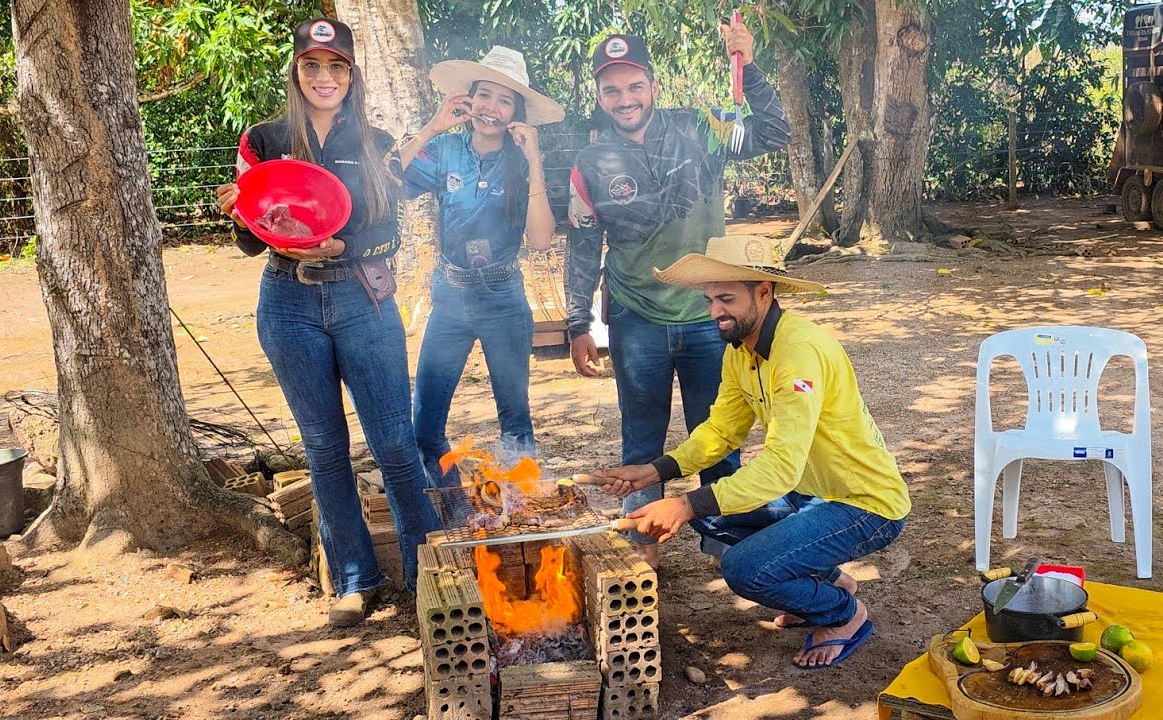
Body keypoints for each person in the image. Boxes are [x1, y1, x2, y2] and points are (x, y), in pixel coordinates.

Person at [594, 235, 911, 668]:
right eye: (709, 300)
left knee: (744, 569)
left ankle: (843, 614)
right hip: (811, 496)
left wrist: (683, 504)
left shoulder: (798, 353)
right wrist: (654, 471)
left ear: (764, 292)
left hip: (865, 505)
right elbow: (721, 431)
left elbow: (781, 466)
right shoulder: (741, 350)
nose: (714, 312)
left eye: (726, 299)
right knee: (711, 515)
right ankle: (829, 582)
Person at [215, 17, 439, 626]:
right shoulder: (262, 140)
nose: (324, 77)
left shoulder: (376, 139)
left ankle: (429, 576)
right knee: (323, 446)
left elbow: (389, 229)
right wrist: (239, 215)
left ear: (351, 74)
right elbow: (251, 242)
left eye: (336, 66)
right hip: (288, 303)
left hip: (362, 297)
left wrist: (344, 248)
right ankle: (353, 580)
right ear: (296, 70)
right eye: (312, 65)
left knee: (395, 441)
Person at [564, 21, 791, 568]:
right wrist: (577, 323)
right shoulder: (590, 164)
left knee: (718, 437)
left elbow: (775, 133)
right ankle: (641, 552)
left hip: (706, 314)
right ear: (599, 97)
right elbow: (581, 245)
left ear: (654, 86)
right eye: (611, 90)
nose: (624, 99)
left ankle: (727, 541)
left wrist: (749, 66)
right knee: (639, 437)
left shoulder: (703, 129)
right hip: (635, 317)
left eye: (633, 86)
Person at [398, 47, 565, 485]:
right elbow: (386, 184)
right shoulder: (444, 149)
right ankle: (451, 505)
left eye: (504, 100)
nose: (491, 108)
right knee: (426, 420)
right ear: (468, 100)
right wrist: (432, 126)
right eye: (484, 95)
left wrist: (533, 161)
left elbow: (542, 239)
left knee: (514, 416)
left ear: (517, 112)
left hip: (504, 300)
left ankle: (523, 509)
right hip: (449, 298)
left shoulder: (520, 159)